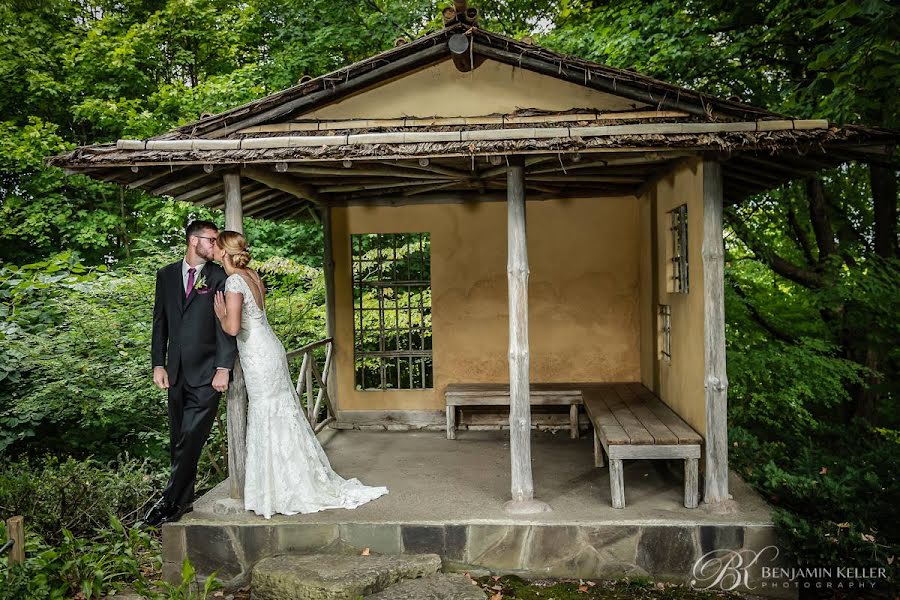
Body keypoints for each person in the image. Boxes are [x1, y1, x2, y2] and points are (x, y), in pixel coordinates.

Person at [212, 230, 387, 518]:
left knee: (267, 413)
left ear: (222, 252)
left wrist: (220, 314)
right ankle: (288, 480)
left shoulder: (233, 281)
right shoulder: (252, 275)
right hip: (270, 346)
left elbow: (232, 328)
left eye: (216, 246)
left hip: (257, 352)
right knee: (280, 411)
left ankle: (279, 488)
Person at [144, 220, 237, 528]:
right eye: (211, 241)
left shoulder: (220, 277)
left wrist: (223, 367)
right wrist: (158, 363)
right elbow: (160, 322)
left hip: (209, 374)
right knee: (178, 439)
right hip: (175, 373)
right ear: (193, 240)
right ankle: (181, 501)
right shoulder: (167, 275)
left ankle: (168, 502)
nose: (216, 246)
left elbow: (226, 328)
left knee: (191, 438)